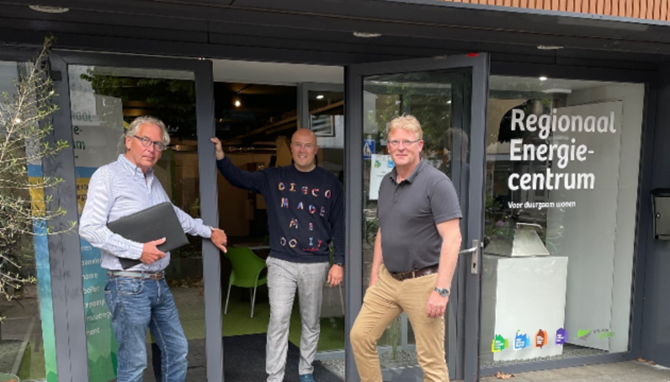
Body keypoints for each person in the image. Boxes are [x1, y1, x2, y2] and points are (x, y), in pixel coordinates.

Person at [79, 116, 228, 382]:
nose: (152, 148)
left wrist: (209, 232)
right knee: (134, 363)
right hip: (127, 285)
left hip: (158, 284)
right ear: (128, 141)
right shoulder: (108, 176)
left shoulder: (152, 180)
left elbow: (173, 215)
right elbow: (89, 228)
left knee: (177, 350)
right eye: (145, 140)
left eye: (158, 144)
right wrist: (138, 250)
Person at [211, 129, 344, 382]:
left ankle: (306, 370)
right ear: (291, 148)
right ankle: (275, 376)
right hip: (281, 261)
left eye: (308, 146)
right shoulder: (274, 177)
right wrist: (221, 157)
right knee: (279, 320)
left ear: (315, 150)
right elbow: (239, 178)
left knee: (311, 322)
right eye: (297, 145)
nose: (302, 150)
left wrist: (338, 262)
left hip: (315, 262)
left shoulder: (329, 183)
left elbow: (340, 225)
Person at [350, 115, 463, 382]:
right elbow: (383, 230)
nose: (401, 147)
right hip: (388, 280)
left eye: (407, 142)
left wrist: (442, 291)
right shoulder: (386, 182)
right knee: (360, 336)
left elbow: (453, 238)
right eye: (395, 141)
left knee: (431, 360)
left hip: (424, 283)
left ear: (420, 145)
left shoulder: (437, 184)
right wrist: (375, 274)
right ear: (388, 146)